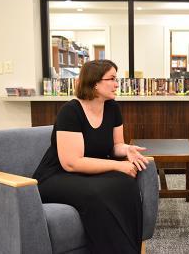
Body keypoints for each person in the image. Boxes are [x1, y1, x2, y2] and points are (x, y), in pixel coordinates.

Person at [33, 59, 149, 254]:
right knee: (97, 193)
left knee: (127, 184)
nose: (116, 84)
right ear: (94, 82)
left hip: (87, 172)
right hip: (56, 175)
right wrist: (117, 166)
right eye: (111, 79)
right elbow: (72, 163)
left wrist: (127, 150)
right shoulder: (70, 111)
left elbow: (115, 146)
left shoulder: (112, 108)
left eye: (116, 78)